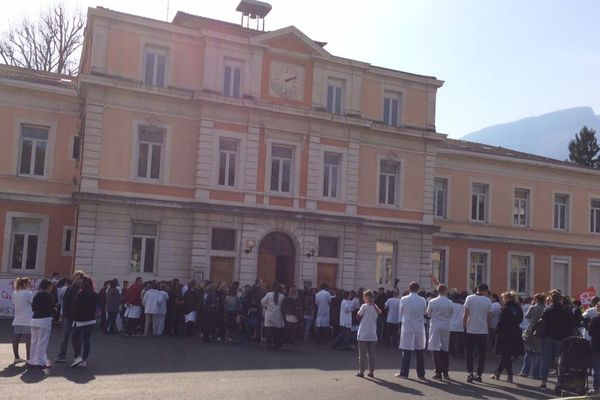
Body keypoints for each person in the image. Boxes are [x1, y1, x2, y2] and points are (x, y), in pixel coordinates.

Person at [539, 290, 573, 389]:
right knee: (559, 361)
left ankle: (543, 382)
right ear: (560, 299)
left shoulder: (548, 310)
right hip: (560, 338)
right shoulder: (566, 311)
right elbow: (570, 325)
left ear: (551, 299)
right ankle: (559, 382)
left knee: (545, 361)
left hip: (548, 337)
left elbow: (542, 321)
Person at [396, 281, 427, 380]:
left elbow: (401, 312)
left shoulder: (404, 299)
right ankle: (421, 374)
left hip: (408, 325)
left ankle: (404, 372)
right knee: (419, 350)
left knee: (406, 349)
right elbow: (424, 311)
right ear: (418, 289)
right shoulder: (422, 300)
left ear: (409, 289)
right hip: (419, 325)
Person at [492, 291, 524, 383]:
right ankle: (497, 373)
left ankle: (510, 375)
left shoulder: (505, 309)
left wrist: (497, 332)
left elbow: (501, 322)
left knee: (506, 355)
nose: (502, 300)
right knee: (506, 355)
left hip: (505, 334)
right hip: (516, 333)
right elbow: (520, 319)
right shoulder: (518, 308)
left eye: (503, 298)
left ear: (508, 298)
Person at [463, 283, 492, 383]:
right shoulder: (488, 300)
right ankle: (479, 374)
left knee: (469, 352)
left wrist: (464, 327)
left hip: (471, 329)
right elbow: (489, 316)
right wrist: (487, 327)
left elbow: (466, 314)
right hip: (482, 330)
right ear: (485, 291)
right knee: (481, 354)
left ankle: (470, 372)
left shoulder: (469, 298)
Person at [56, 270, 84, 363]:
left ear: (81, 279)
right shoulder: (69, 288)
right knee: (65, 337)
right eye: (75, 278)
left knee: (78, 338)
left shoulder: (83, 289)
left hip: (79, 317)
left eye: (78, 278)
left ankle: (78, 356)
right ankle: (62, 356)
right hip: (69, 316)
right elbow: (65, 302)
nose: (76, 280)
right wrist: (63, 315)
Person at [427, 284, 454, 380]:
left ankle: (438, 371)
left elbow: (428, 314)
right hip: (446, 325)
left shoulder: (432, 301)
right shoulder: (450, 302)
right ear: (446, 291)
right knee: (445, 348)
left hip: (435, 324)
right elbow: (451, 314)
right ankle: (446, 371)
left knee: (435, 347)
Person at [70, 277, 98, 368]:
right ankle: (84, 359)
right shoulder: (94, 294)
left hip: (79, 319)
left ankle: (78, 356)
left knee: (75, 338)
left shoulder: (80, 294)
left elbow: (75, 306)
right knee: (87, 340)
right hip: (90, 319)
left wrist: (74, 316)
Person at [29, 279, 54, 369]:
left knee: (34, 342)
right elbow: (51, 309)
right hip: (44, 320)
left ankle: (32, 361)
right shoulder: (48, 296)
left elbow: (33, 307)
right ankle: (40, 362)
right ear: (48, 286)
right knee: (42, 342)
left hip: (35, 319)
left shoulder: (37, 295)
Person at [519, 293, 545, 379]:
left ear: (536, 299)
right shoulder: (545, 308)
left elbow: (527, 316)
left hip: (531, 330)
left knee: (528, 352)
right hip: (541, 332)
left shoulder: (533, 307)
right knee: (539, 353)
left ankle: (525, 371)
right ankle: (536, 373)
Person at [356, 290, 381, 378]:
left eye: (364, 297)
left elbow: (358, 316)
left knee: (362, 354)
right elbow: (379, 313)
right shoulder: (376, 307)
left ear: (367, 298)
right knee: (371, 354)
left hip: (363, 333)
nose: (363, 299)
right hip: (372, 333)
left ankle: (361, 371)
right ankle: (371, 371)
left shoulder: (364, 306)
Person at [12, 277, 33, 364]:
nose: (30, 284)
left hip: (18, 317)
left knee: (17, 337)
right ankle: (29, 358)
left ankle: (16, 357)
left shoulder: (15, 293)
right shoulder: (29, 293)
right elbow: (32, 302)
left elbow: (14, 303)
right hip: (27, 317)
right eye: (29, 283)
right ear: (24, 284)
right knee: (29, 337)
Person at [261, 283, 285, 350]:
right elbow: (283, 306)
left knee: (269, 330)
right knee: (277, 331)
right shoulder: (282, 296)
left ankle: (268, 344)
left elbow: (262, 302)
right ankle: (276, 344)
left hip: (269, 315)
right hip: (278, 315)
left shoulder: (269, 294)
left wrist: (266, 307)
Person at [587, 301, 600, 395]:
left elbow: (590, 332)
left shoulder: (595, 319)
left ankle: (596, 387)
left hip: (596, 346)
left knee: (596, 368)